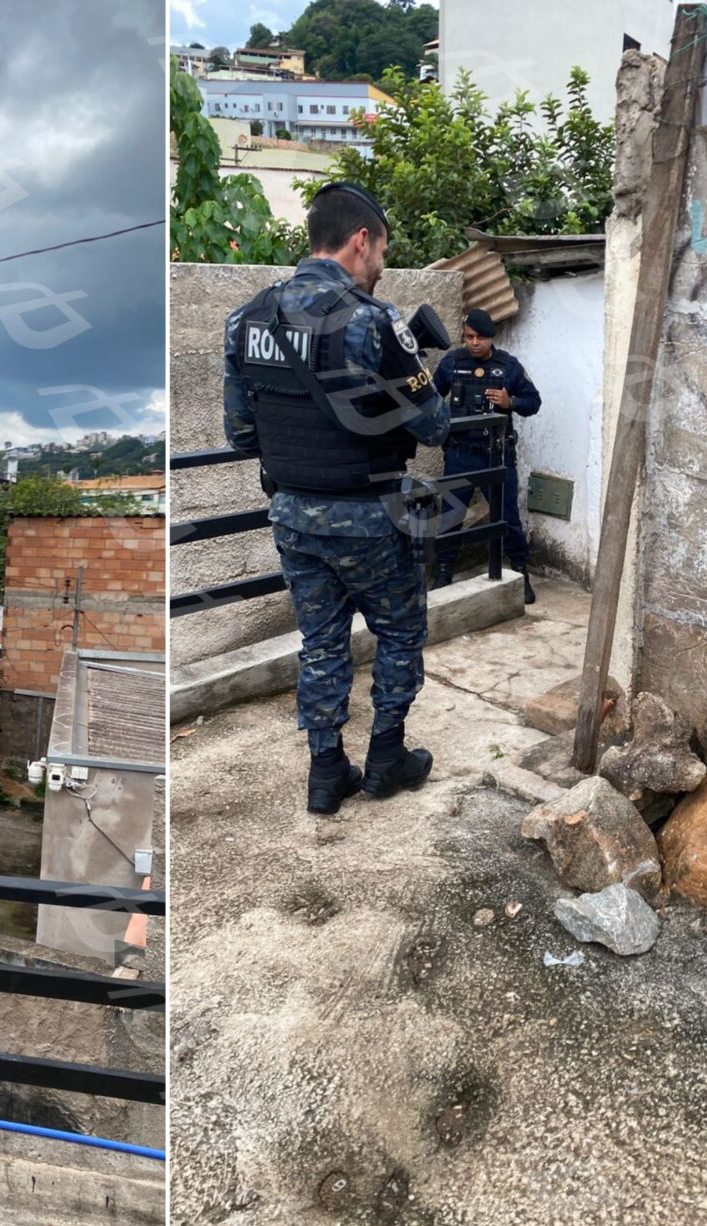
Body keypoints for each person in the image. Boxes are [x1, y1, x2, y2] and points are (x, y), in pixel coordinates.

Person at [222, 181, 453, 815]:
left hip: (293, 517)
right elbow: (434, 427)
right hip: (371, 516)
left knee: (321, 642)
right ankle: (386, 759)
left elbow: (241, 433)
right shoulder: (372, 321)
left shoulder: (247, 318)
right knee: (399, 631)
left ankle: (326, 774)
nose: (381, 266)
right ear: (361, 240)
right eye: (382, 252)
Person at [432, 309, 544, 603]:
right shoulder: (452, 363)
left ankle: (520, 571)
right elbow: (430, 398)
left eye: (480, 337)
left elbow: (534, 402)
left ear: (491, 337)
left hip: (496, 455)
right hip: (459, 453)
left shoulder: (508, 366)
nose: (474, 343)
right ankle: (443, 572)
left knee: (507, 517)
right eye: (469, 337)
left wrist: (511, 401)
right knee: (450, 516)